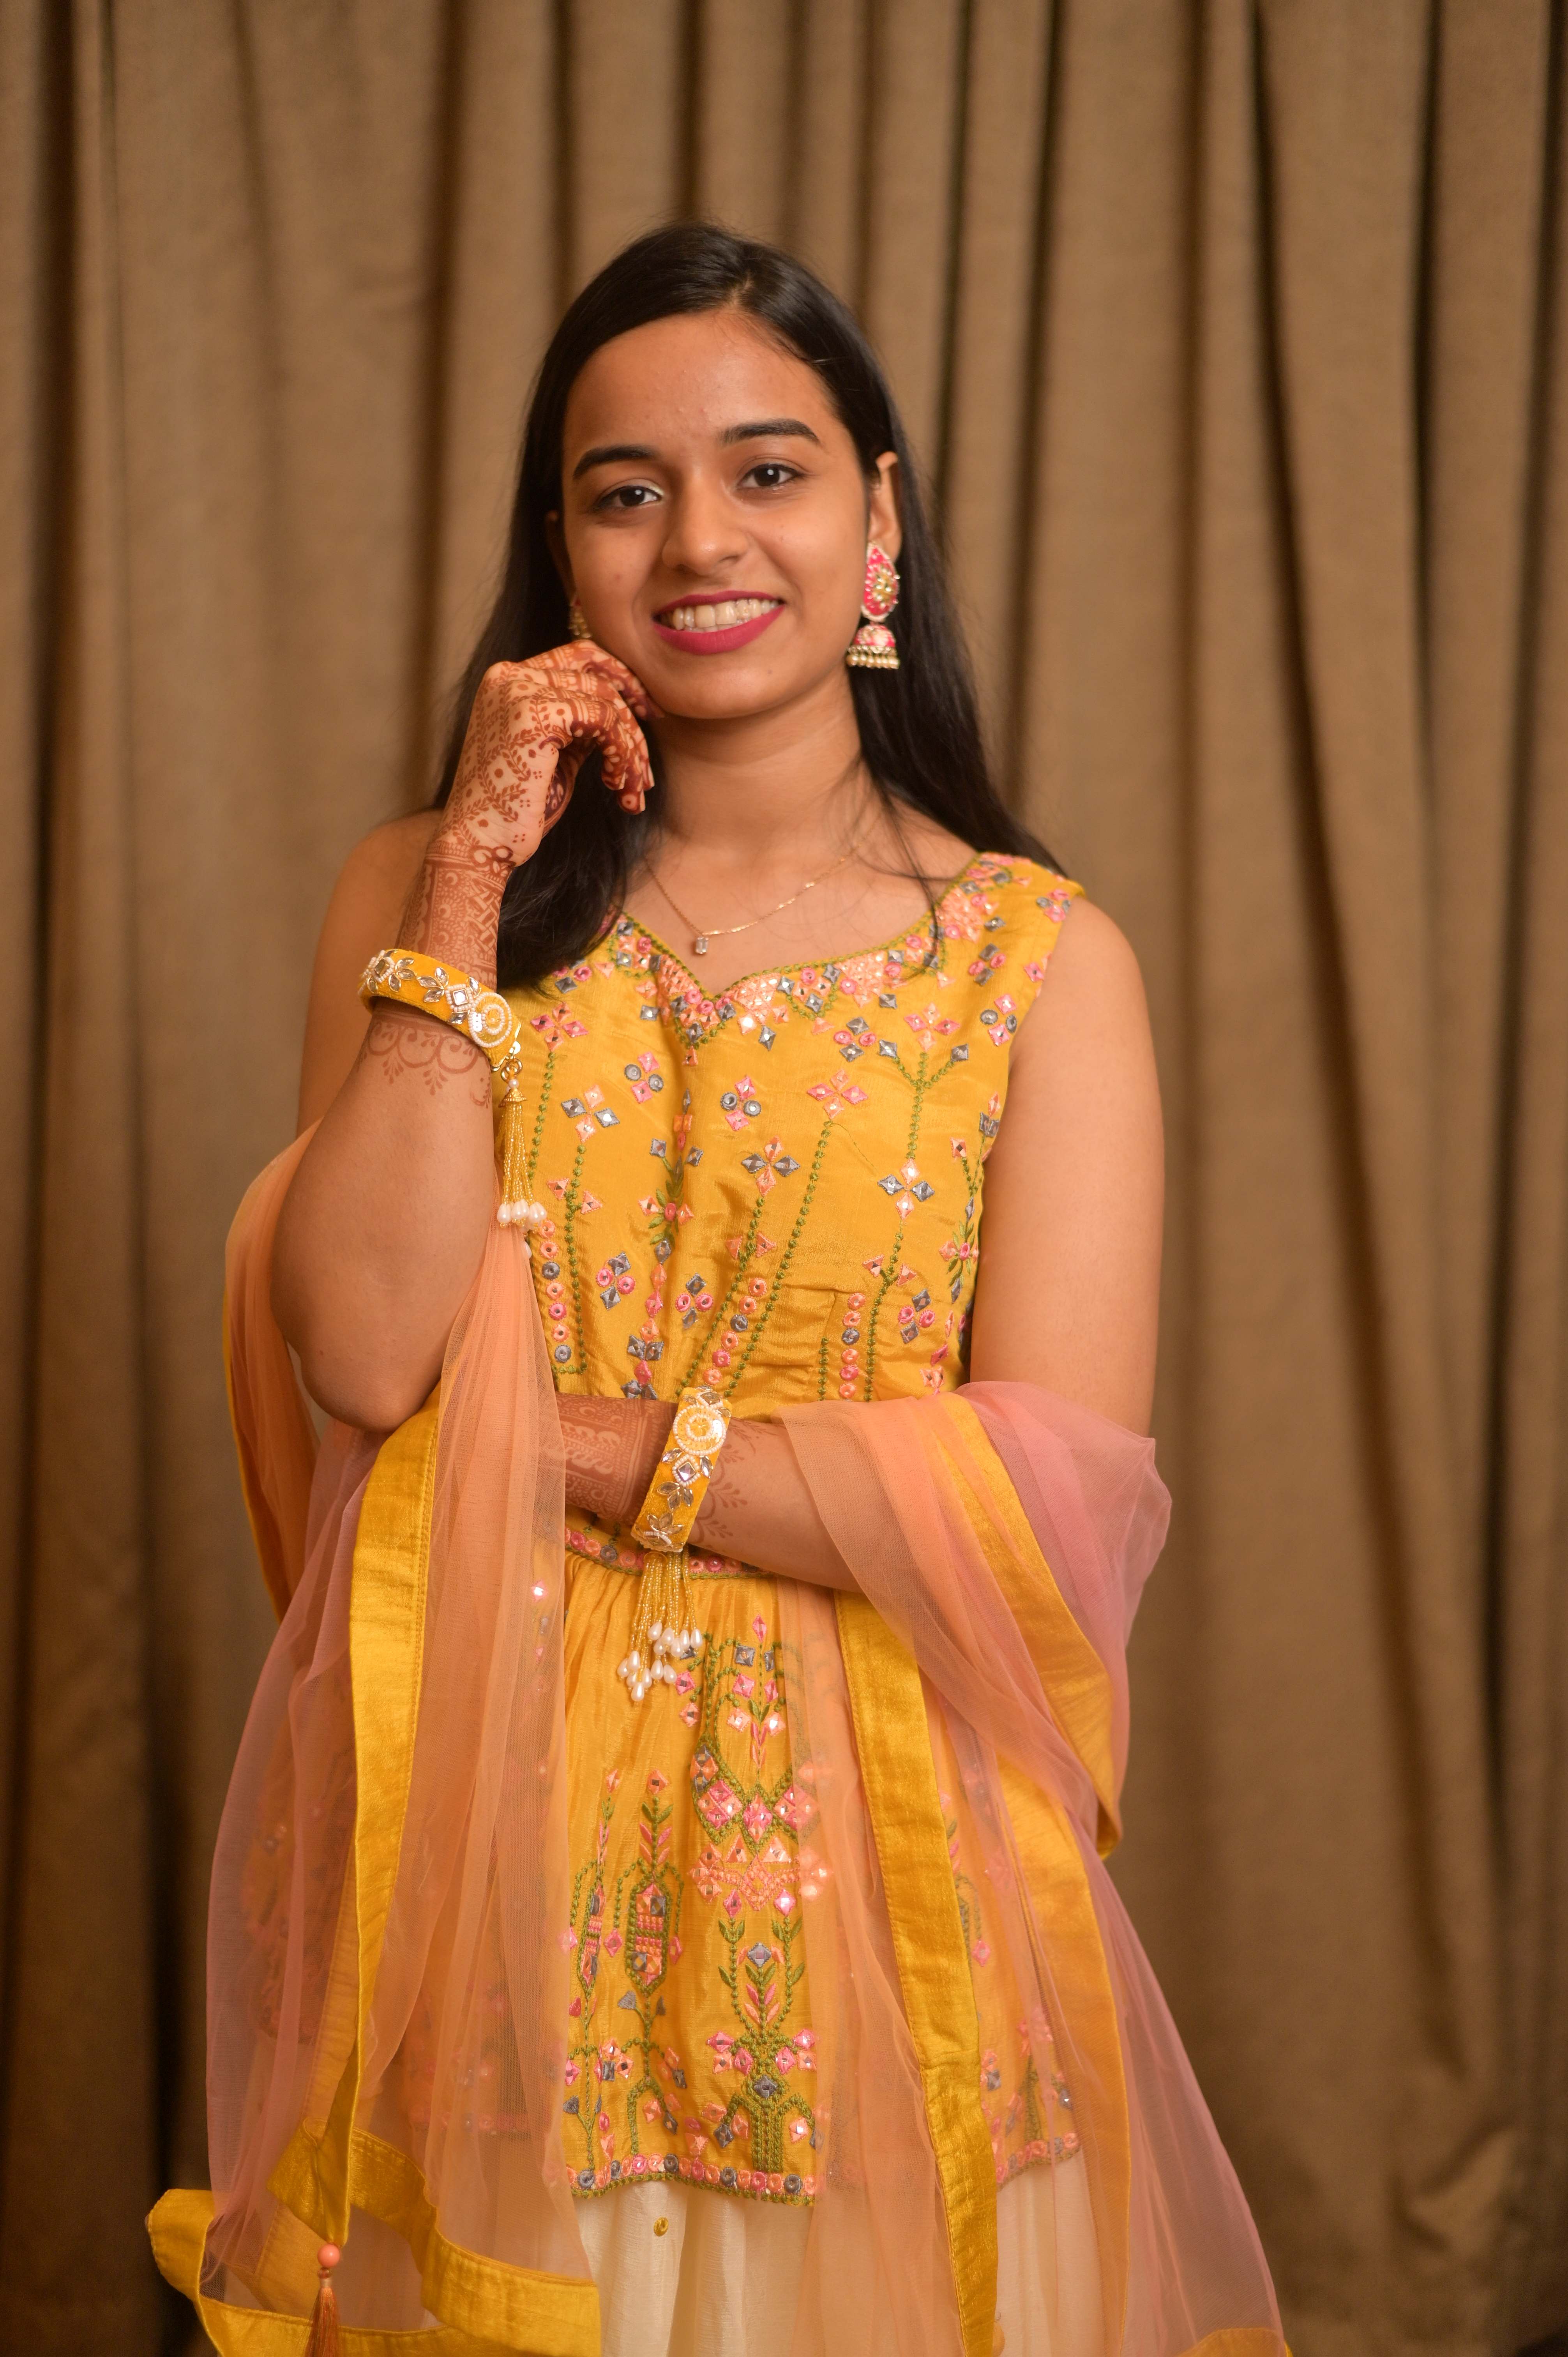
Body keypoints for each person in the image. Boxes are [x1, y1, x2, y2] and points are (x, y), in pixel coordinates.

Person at [148, 223, 1285, 2357]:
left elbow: (1046, 1491)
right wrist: (474, 866)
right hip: (484, 1868)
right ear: (560, 552)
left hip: (878, 1886)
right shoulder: (427, 896)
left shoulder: (1036, 963)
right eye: (621, 488)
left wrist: (566, 1444)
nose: (698, 540)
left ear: (877, 522)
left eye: (768, 470)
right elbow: (370, 1348)